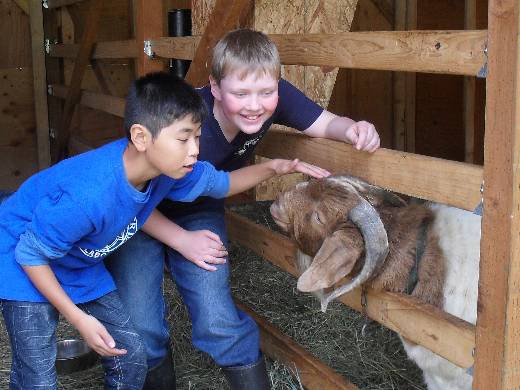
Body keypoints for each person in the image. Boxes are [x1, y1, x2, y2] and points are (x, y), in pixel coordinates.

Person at [0, 71, 327, 390]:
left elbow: (222, 183)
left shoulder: (169, 168)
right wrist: (78, 318)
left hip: (78, 262)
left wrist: (274, 168)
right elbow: (30, 254)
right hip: (24, 261)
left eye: (197, 137)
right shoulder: (89, 194)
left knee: (129, 352)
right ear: (141, 137)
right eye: (184, 138)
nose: (195, 150)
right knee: (37, 376)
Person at [106, 29, 380, 390]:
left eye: (266, 92)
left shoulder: (273, 98)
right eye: (240, 93)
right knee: (141, 323)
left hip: (198, 209)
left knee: (216, 314)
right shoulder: (185, 121)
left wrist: (353, 129)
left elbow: (325, 122)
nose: (255, 104)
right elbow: (129, 195)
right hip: (138, 217)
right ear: (215, 89)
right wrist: (182, 241)